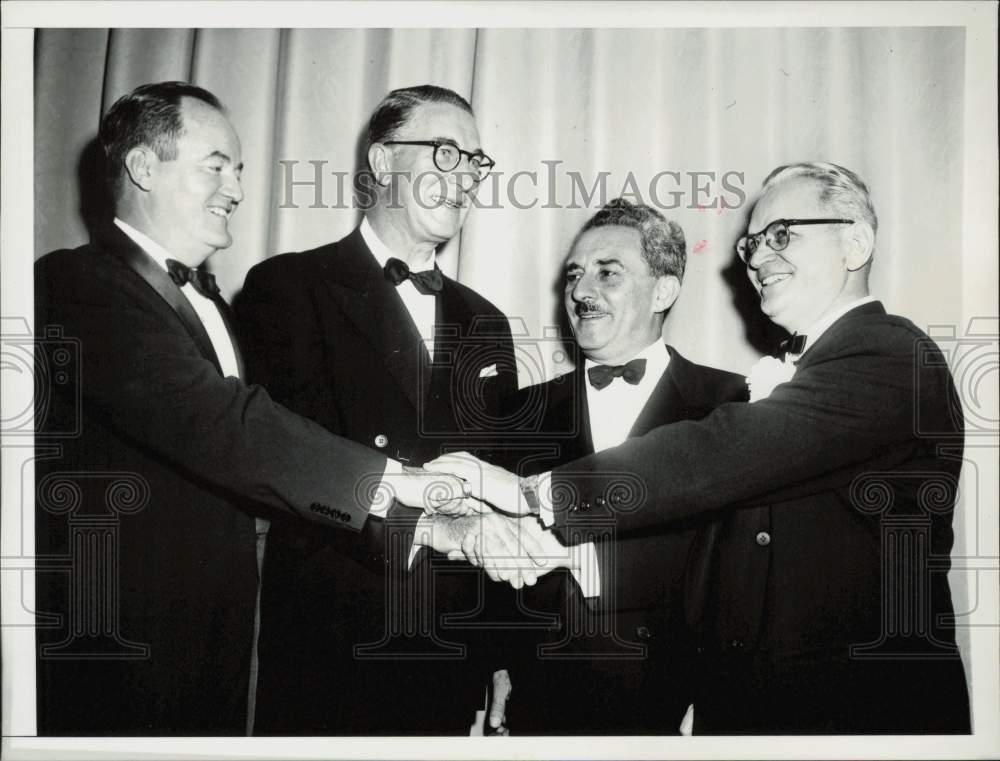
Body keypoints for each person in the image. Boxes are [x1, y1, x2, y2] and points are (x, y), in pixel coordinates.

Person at [431, 162, 970, 733]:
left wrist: (535, 493)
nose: (759, 258)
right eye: (752, 243)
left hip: (862, 716)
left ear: (855, 242)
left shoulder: (892, 355)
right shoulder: (807, 375)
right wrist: (558, 557)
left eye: (782, 235)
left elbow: (721, 452)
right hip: (759, 715)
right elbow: (715, 559)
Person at [33, 81, 465, 736]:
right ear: (143, 167)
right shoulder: (73, 283)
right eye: (216, 165)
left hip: (217, 651)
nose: (236, 187)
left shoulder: (218, 311)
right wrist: (405, 490)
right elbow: (225, 423)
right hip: (117, 650)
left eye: (238, 169)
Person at [235, 84, 520, 735]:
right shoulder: (289, 287)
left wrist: (503, 654)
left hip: (445, 658)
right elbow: (280, 461)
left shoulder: (488, 323)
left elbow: (499, 491)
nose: (466, 179)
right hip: (328, 650)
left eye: (476, 162)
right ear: (383, 161)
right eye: (447, 154)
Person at [493, 199, 749, 734]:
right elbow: (496, 551)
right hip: (542, 701)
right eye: (575, 276)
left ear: (664, 290)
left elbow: (738, 569)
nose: (582, 293)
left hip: (672, 703)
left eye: (608, 273)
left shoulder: (731, 402)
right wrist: (498, 662)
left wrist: (719, 695)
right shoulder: (522, 410)